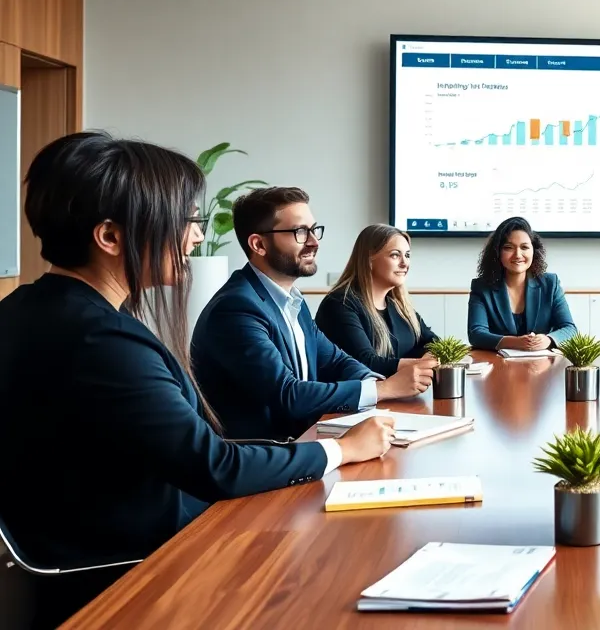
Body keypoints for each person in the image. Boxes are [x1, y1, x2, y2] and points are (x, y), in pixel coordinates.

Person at [0, 133, 394, 629]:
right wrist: (344, 450)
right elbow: (212, 466)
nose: (195, 237)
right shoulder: (101, 340)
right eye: (184, 220)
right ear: (110, 237)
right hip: (133, 575)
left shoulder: (29, 310)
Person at [193, 188, 433, 441]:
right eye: (299, 232)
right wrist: (382, 388)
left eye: (314, 230)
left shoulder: (292, 300)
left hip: (304, 441)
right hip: (264, 456)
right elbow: (287, 395)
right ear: (259, 244)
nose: (313, 241)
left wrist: (375, 381)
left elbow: (335, 361)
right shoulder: (236, 308)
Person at [315, 224, 439, 375]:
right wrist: (420, 364)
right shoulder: (339, 304)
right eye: (395, 255)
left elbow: (433, 341)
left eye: (407, 255)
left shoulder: (398, 305)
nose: (405, 263)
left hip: (399, 395)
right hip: (359, 397)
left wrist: (428, 357)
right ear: (369, 259)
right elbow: (366, 363)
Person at [467, 217, 577, 351]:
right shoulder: (482, 287)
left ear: (534, 251)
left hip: (541, 365)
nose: (518, 255)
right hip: (498, 365)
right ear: (498, 252)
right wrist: (515, 342)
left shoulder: (550, 284)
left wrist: (548, 340)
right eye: (508, 248)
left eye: (524, 247)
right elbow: (476, 334)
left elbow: (570, 329)